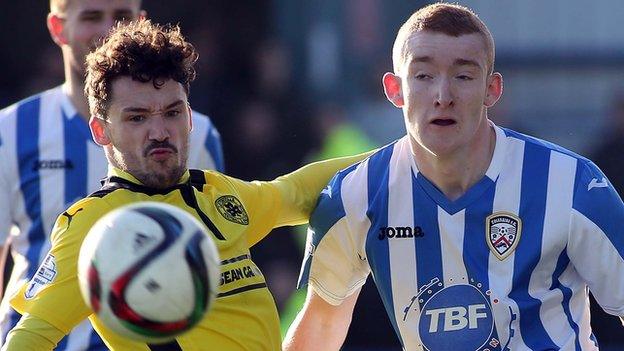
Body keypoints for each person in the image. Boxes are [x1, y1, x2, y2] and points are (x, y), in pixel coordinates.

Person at [2, 19, 370, 350]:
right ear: (101, 131)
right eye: (137, 117)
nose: (159, 131)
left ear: (189, 118)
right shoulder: (93, 226)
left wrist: (404, 154)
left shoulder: (217, 193)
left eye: (172, 112)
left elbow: (297, 192)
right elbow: (30, 338)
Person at [284, 3, 624, 351]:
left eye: (463, 76)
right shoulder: (354, 195)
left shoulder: (571, 184)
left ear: (491, 89)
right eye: (423, 76)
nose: (443, 96)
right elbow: (323, 321)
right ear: (394, 89)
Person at [0, 1, 224, 350]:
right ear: (58, 28)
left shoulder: (196, 132)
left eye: (121, 16)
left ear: (141, 22)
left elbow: (219, 251)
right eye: (92, 16)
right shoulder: (10, 131)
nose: (109, 29)